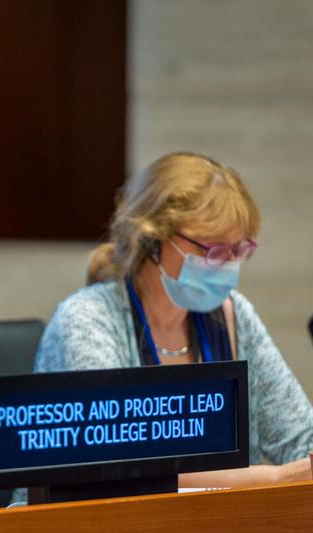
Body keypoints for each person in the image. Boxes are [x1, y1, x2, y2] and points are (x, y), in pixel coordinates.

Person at [35, 151, 313, 487]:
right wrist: (277, 477)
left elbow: (300, 439)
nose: (227, 264)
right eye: (211, 249)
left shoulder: (233, 314)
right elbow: (123, 466)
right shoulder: (88, 319)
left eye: (238, 250)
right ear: (152, 241)